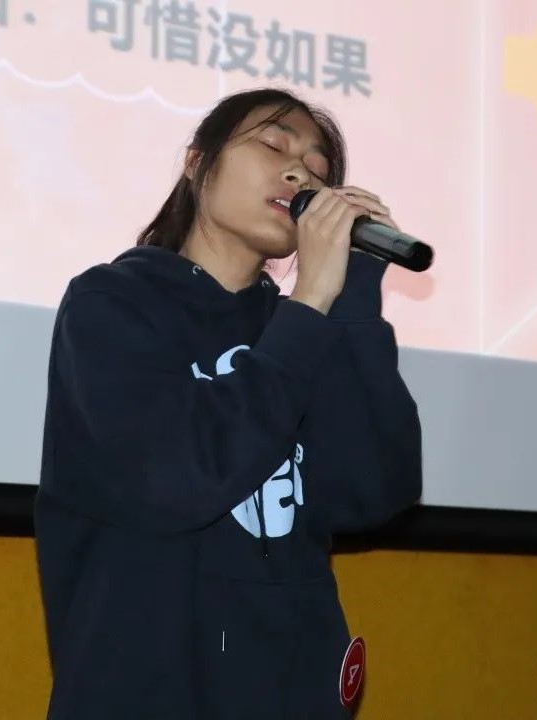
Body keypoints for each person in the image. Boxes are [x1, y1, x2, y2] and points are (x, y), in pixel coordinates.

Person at [33, 87, 423, 719]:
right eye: (273, 145)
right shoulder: (113, 303)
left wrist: (350, 302)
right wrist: (307, 309)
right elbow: (177, 477)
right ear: (198, 164)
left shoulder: (301, 326)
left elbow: (372, 492)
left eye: (319, 168)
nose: (301, 173)